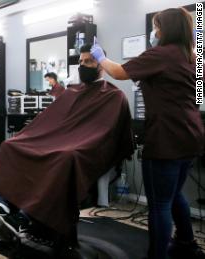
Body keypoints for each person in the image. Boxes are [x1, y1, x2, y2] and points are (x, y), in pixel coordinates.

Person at [0, 44, 133, 256]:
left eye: (89, 61)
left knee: (65, 158)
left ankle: (23, 218)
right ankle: (1, 207)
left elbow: (105, 135)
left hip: (82, 151)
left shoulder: (114, 96)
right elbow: (51, 122)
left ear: (101, 64)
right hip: (61, 144)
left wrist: (72, 145)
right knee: (11, 145)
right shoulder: (72, 92)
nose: (83, 65)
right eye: (81, 61)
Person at [90, 8, 204, 259]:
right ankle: (186, 242)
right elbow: (196, 96)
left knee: (160, 203)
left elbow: (119, 72)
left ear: (166, 29)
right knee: (174, 194)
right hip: (192, 135)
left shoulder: (160, 54)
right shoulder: (194, 58)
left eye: (157, 26)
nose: (155, 31)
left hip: (167, 137)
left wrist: (100, 57)